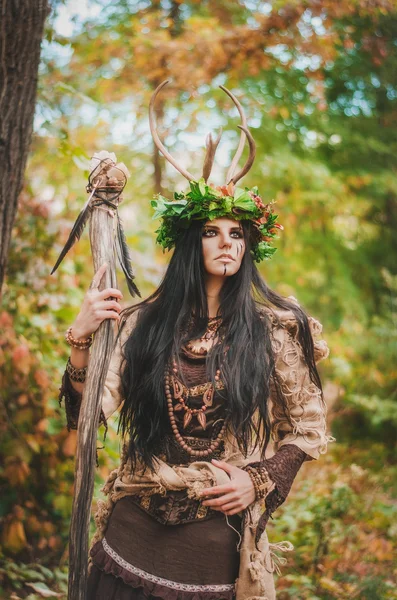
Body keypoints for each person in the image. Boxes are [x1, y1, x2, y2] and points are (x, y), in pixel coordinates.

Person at [59, 83, 332, 600]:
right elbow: (85, 418)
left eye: (236, 233)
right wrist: (81, 340)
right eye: (211, 231)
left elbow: (306, 428)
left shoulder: (274, 330)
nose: (227, 241)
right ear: (190, 242)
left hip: (214, 541)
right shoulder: (142, 324)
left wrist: (260, 478)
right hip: (132, 532)